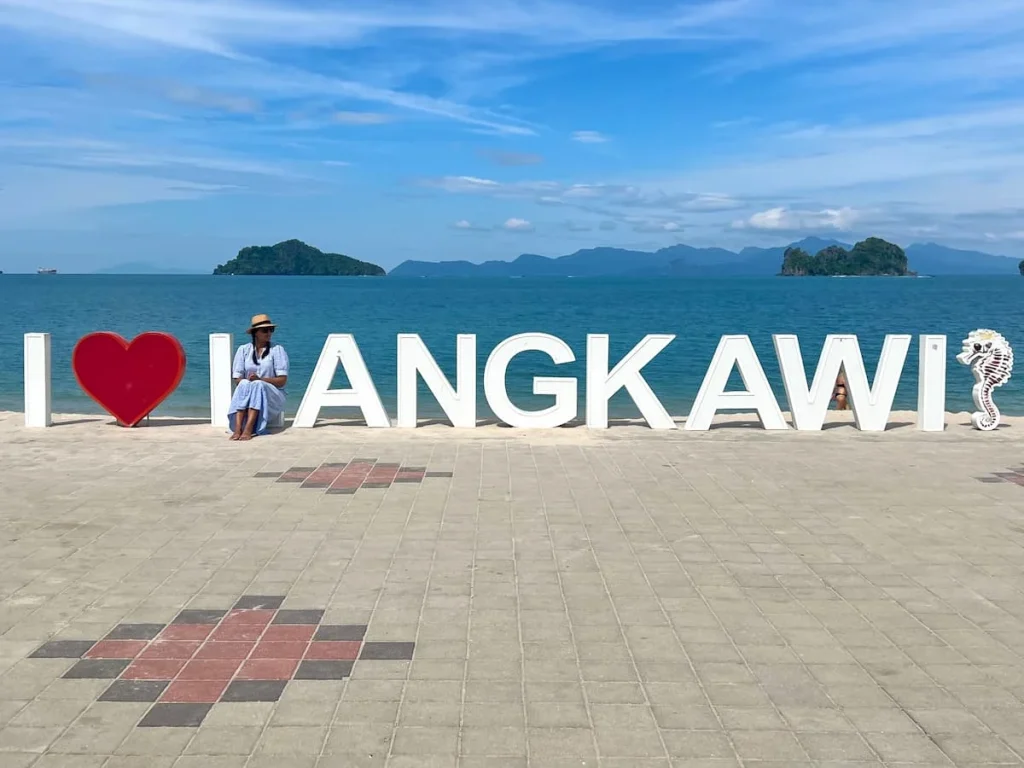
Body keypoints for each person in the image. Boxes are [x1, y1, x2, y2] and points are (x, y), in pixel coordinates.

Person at [228, 314, 289, 440]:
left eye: (271, 330)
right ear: (255, 333)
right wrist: (249, 382)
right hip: (249, 394)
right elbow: (237, 378)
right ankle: (238, 428)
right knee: (244, 383)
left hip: (272, 396)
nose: (269, 333)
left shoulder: (277, 350)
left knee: (258, 384)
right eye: (265, 330)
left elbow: (282, 381)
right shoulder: (243, 350)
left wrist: (260, 380)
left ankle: (249, 428)